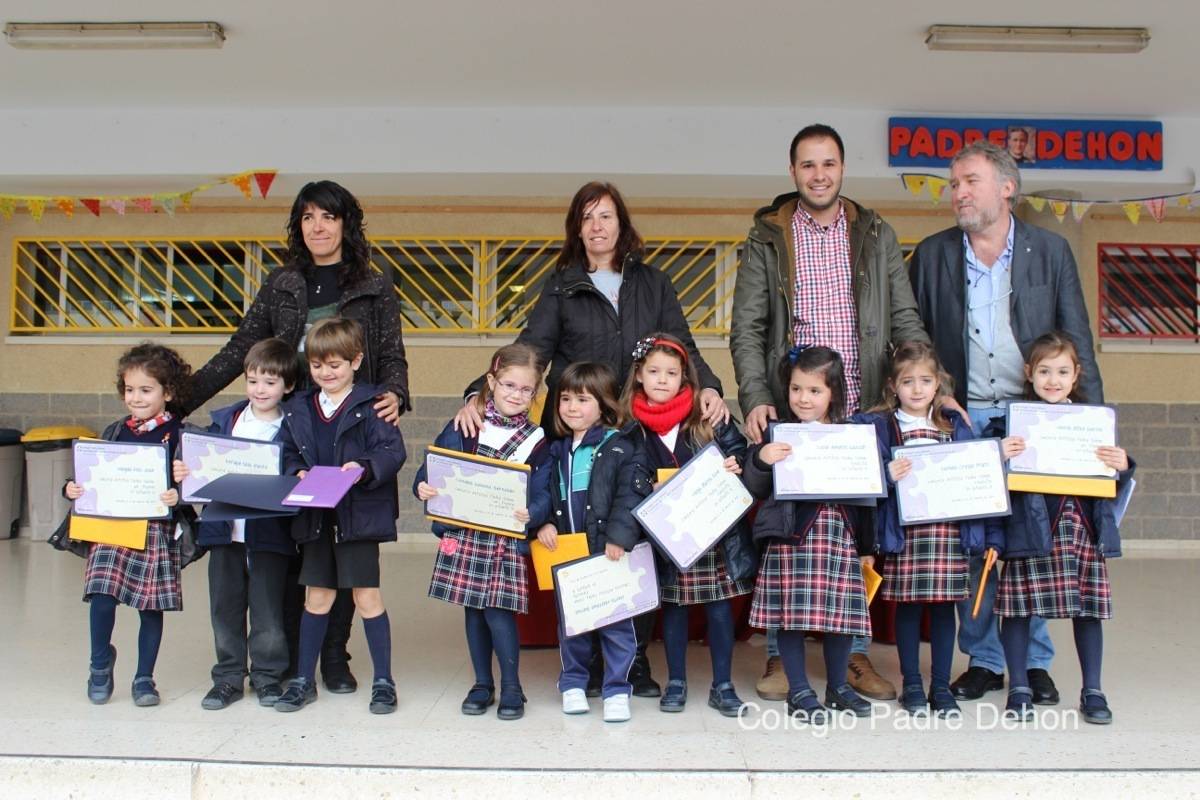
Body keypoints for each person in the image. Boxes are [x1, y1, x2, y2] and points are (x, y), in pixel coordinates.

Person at [456, 181, 729, 696]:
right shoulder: (561, 285)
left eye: (606, 216)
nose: (597, 226)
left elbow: (682, 345)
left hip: (635, 426)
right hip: (581, 425)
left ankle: (633, 663)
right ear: (576, 229)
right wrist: (480, 390)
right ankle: (589, 659)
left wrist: (709, 386)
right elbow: (532, 348)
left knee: (633, 540)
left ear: (622, 224)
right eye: (587, 218)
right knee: (586, 539)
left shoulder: (653, 281)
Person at [188, 180, 411, 695]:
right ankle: (290, 655)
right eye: (308, 216)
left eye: (329, 216)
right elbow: (240, 348)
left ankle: (334, 655)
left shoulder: (374, 283)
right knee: (297, 545)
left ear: (346, 224)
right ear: (299, 225)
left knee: (345, 542)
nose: (318, 226)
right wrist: (178, 399)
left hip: (353, 425)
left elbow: (391, 352)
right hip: (295, 427)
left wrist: (395, 393)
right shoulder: (282, 282)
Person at [730, 123, 928, 702]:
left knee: (853, 535)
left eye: (829, 163)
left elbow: (904, 316)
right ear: (793, 171)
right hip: (792, 403)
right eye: (808, 164)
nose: (819, 174)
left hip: (860, 408)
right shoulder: (769, 234)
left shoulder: (875, 232)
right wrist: (755, 396)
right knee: (784, 531)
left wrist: (924, 382)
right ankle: (777, 657)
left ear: (843, 168)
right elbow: (747, 326)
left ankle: (855, 656)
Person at [909, 140, 1103, 705]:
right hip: (963, 418)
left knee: (1030, 541)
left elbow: (1078, 338)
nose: (958, 193)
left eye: (969, 181)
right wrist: (932, 404)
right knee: (973, 546)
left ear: (1007, 187)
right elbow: (915, 336)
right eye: (953, 184)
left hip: (1034, 419)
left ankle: (1033, 661)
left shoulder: (1050, 250)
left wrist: (1091, 428)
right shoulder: (933, 254)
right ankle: (985, 659)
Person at [989, 332, 1133, 724]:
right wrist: (998, 454)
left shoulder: (1092, 423)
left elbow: (1111, 478)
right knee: (1017, 610)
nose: (1053, 380)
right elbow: (988, 478)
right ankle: (1018, 687)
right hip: (1029, 530)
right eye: (1045, 371)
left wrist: (1123, 464)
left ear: (1076, 375)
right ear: (1029, 373)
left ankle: (1092, 690)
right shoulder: (1012, 423)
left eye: (1062, 371)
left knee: (1087, 610)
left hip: (1081, 529)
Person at [274, 318, 407, 715]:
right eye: (317, 365)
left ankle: (384, 680)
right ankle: (302, 679)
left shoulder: (374, 403)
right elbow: (287, 452)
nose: (326, 373)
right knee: (317, 597)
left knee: (367, 597)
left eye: (335, 364)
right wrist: (294, 470)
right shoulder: (298, 407)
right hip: (317, 517)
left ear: (356, 361)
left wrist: (363, 468)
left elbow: (391, 453)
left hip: (358, 517)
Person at [620, 334, 757, 717]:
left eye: (672, 373)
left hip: (713, 536)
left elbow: (739, 450)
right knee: (675, 611)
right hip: (668, 538)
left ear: (685, 378)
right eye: (654, 372)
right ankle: (676, 681)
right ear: (639, 376)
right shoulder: (630, 429)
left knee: (717, 611)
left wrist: (737, 463)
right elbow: (625, 478)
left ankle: (723, 684)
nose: (662, 379)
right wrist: (647, 486)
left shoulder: (707, 417)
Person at [417, 343, 553, 721]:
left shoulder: (537, 441)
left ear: (536, 393)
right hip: (465, 534)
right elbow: (431, 470)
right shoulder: (465, 424)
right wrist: (423, 488)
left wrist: (534, 512)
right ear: (491, 381)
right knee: (473, 610)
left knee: (499, 610)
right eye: (508, 385)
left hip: (505, 538)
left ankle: (511, 685)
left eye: (526, 390)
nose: (516, 395)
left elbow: (544, 494)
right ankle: (481, 683)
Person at [741, 346, 876, 723]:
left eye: (814, 391)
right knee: (791, 616)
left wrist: (866, 547)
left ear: (833, 392)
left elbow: (867, 499)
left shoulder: (852, 435)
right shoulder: (777, 434)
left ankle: (838, 687)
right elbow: (753, 487)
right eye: (797, 389)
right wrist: (761, 460)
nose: (804, 398)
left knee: (841, 617)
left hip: (839, 537)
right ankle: (799, 690)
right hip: (791, 538)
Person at [865, 342, 995, 716]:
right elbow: (866, 480)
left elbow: (976, 478)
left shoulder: (954, 426)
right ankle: (912, 685)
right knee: (908, 609)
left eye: (925, 381)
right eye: (908, 381)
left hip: (949, 536)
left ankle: (940, 686)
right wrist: (886, 477)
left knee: (942, 611)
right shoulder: (884, 428)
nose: (917, 389)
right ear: (893, 386)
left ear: (939, 385)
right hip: (907, 538)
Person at [172, 338, 300, 710]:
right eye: (253, 380)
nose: (260, 389)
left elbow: (294, 475)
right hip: (224, 534)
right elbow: (196, 469)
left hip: (269, 536)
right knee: (224, 608)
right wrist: (184, 471)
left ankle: (267, 677)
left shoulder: (292, 430)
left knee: (268, 611)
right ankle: (228, 677)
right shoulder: (223, 422)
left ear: (287, 386)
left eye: (270, 382)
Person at [64, 343, 193, 706]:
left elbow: (196, 489)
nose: (136, 398)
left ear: (167, 393)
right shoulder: (115, 431)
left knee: (149, 607)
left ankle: (144, 679)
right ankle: (100, 665)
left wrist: (178, 493)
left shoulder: (182, 436)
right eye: (130, 389)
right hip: (112, 527)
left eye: (146, 390)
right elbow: (91, 478)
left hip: (154, 530)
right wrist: (72, 488)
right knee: (101, 596)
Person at [536, 361, 652, 723]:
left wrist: (620, 537)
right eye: (566, 399)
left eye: (583, 400)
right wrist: (540, 524)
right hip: (568, 554)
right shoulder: (553, 450)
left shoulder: (620, 446)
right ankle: (573, 683)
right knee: (573, 625)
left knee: (617, 625)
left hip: (608, 554)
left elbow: (630, 495)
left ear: (603, 403)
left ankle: (617, 689)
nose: (572, 407)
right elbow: (539, 492)